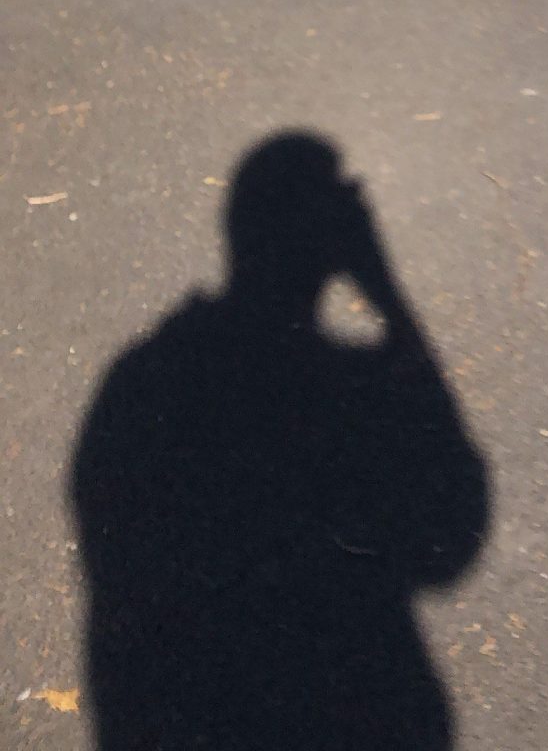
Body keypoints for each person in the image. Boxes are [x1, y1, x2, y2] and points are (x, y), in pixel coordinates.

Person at [72, 133, 489, 751]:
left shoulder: (143, 378)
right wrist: (387, 294)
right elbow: (451, 536)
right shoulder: (346, 393)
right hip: (338, 715)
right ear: (331, 239)